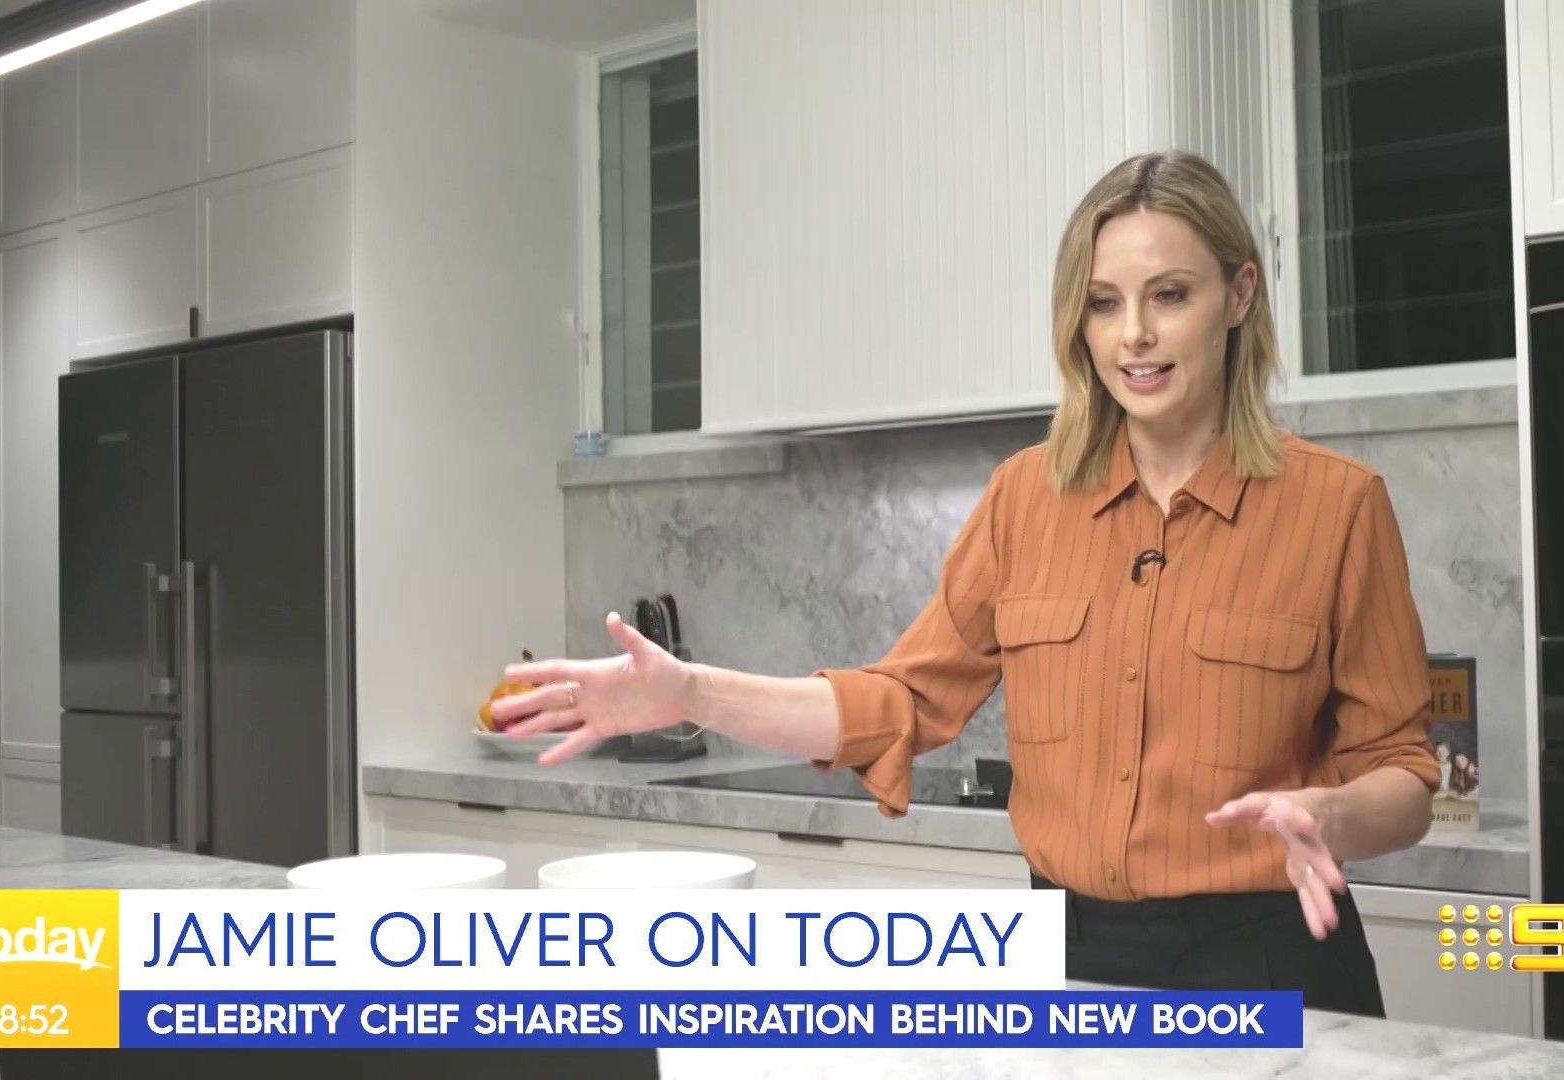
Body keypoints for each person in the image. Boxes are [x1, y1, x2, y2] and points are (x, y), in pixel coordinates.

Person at [493, 151, 1439, 1016]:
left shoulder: (1338, 508)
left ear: (1239, 295)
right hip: (1070, 965)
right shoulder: (1025, 500)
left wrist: (1331, 814)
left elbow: (1404, 776)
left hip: (1271, 964)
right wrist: (690, 694)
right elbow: (895, 703)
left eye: (1170, 295)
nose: (1136, 336)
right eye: (1103, 303)